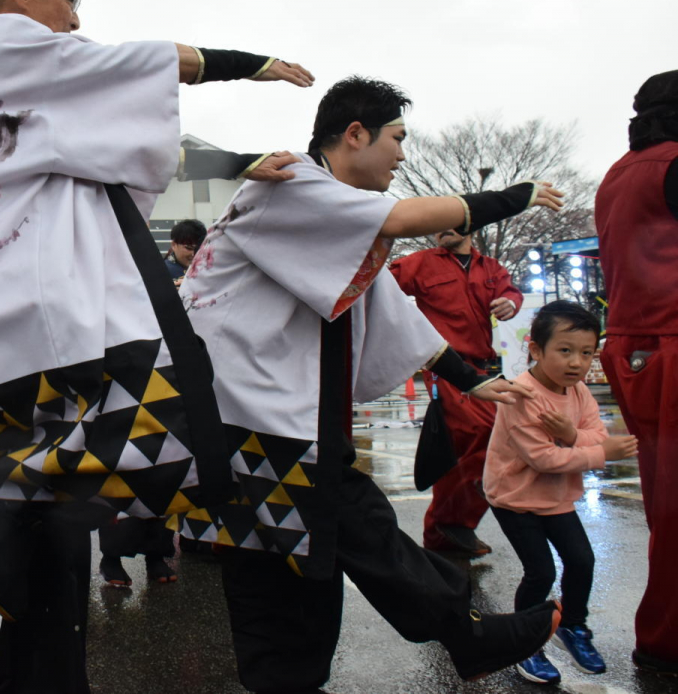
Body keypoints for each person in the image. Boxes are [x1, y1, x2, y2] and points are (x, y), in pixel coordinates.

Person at [0, 0, 312, 693]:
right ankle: (3, 497)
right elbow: (136, 70)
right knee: (166, 437)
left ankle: (43, 660)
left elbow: (121, 140)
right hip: (28, 314)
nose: (76, 17)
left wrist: (237, 160)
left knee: (54, 563)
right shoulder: (3, 42)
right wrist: (249, 65)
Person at [177, 76, 567, 692]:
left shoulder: (338, 223)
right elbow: (411, 218)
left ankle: (440, 637)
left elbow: (393, 317)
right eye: (397, 138)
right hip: (247, 418)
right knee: (348, 527)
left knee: (292, 570)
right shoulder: (291, 186)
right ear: (355, 135)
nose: (403, 155)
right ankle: (464, 632)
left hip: (262, 418)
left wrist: (472, 380)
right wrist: (514, 195)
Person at [484, 300, 639, 684]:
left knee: (582, 561)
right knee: (540, 571)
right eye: (565, 351)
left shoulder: (579, 392)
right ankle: (525, 645)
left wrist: (572, 435)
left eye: (586, 353)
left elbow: (593, 434)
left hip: (555, 497)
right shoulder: (521, 395)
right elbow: (543, 459)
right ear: (535, 349)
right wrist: (598, 452)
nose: (576, 363)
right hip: (515, 497)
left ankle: (573, 627)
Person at [594, 69, 678, 677]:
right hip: (672, 336)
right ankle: (665, 641)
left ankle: (662, 636)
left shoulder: (619, 173)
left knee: (667, 502)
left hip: (635, 343)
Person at [390, 227, 523, 555]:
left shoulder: (491, 267)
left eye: (448, 222)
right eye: (434, 224)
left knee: (483, 441)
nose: (439, 229)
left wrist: (511, 301)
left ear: (470, 226)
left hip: (480, 367)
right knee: (484, 432)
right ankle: (445, 529)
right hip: (444, 366)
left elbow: (511, 292)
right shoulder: (420, 262)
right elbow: (376, 286)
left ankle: (452, 528)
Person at [165, 218, 207, 283]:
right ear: (174, 245)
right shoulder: (162, 272)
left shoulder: (208, 269)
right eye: (189, 248)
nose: (194, 254)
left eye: (198, 249)